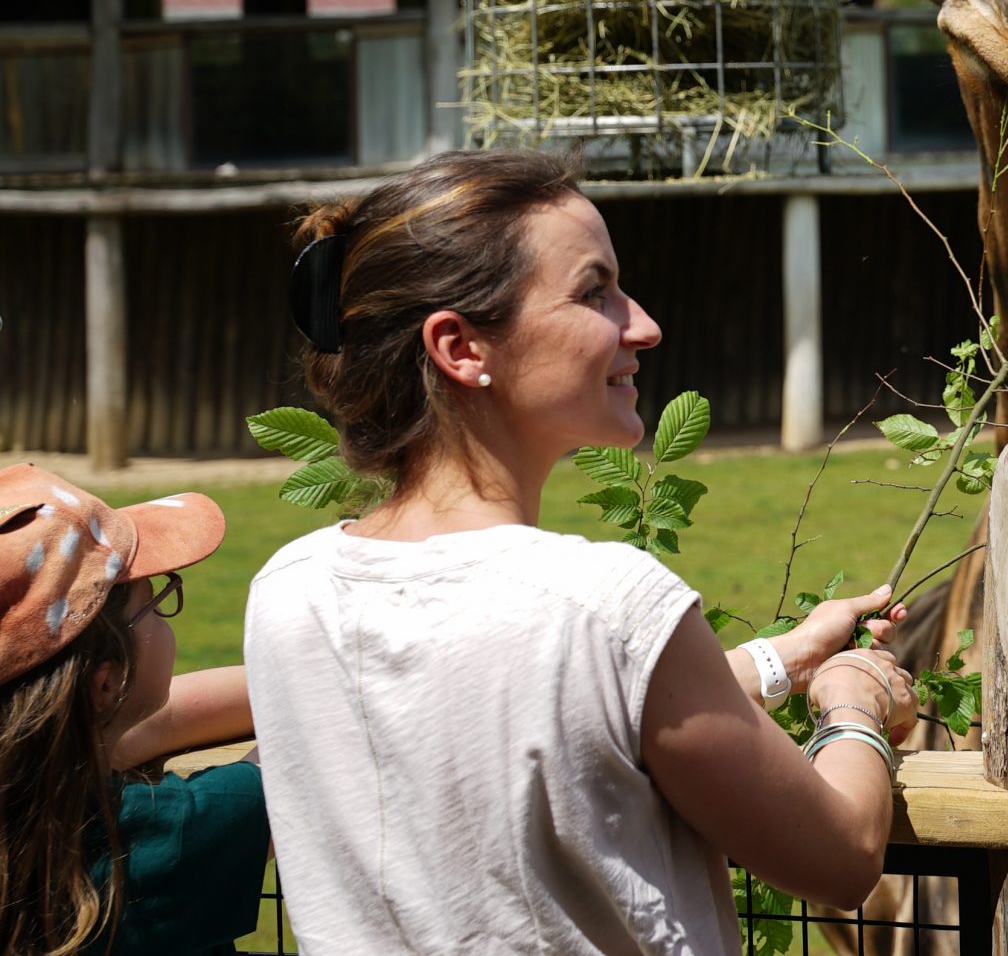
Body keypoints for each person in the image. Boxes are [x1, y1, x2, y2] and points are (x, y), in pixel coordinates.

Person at [244, 150, 919, 955]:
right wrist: (854, 701)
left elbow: (529, 698)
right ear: (462, 349)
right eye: (595, 292)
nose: (643, 325)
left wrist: (784, 658)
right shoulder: (606, 602)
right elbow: (840, 858)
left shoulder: (289, 590)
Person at [1, 463, 263, 956]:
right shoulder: (152, 838)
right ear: (106, 682)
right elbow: (313, 743)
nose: (166, 611)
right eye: (158, 599)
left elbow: (161, 720)